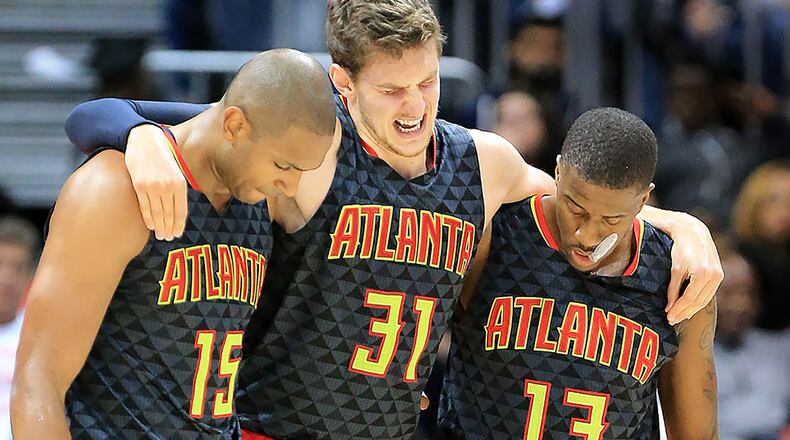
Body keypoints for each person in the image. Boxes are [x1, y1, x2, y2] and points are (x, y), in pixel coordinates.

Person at [62, 2, 722, 437]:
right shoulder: (311, 149)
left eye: (428, 83)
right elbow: (111, 115)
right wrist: (137, 133)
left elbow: (582, 200)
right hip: (278, 426)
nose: (414, 106)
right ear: (343, 86)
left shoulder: (484, 162)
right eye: (391, 89)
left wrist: (684, 226)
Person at [10, 49, 336, 439]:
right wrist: (135, 130)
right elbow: (38, 382)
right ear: (234, 126)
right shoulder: (115, 189)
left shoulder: (256, 192)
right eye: (284, 166)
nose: (291, 187)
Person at [440, 108, 718, 439]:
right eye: (575, 208)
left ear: (643, 200)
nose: (586, 235)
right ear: (558, 172)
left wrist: (687, 224)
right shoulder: (497, 231)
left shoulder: (676, 275)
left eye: (611, 220)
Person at [714, 249, 790, 439]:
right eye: (729, 293)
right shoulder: (685, 357)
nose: (741, 304)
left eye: (749, 292)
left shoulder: (777, 348)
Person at [0, 216, 40, 440]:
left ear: (30, 277)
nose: (7, 277)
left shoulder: (39, 338)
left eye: (17, 268)